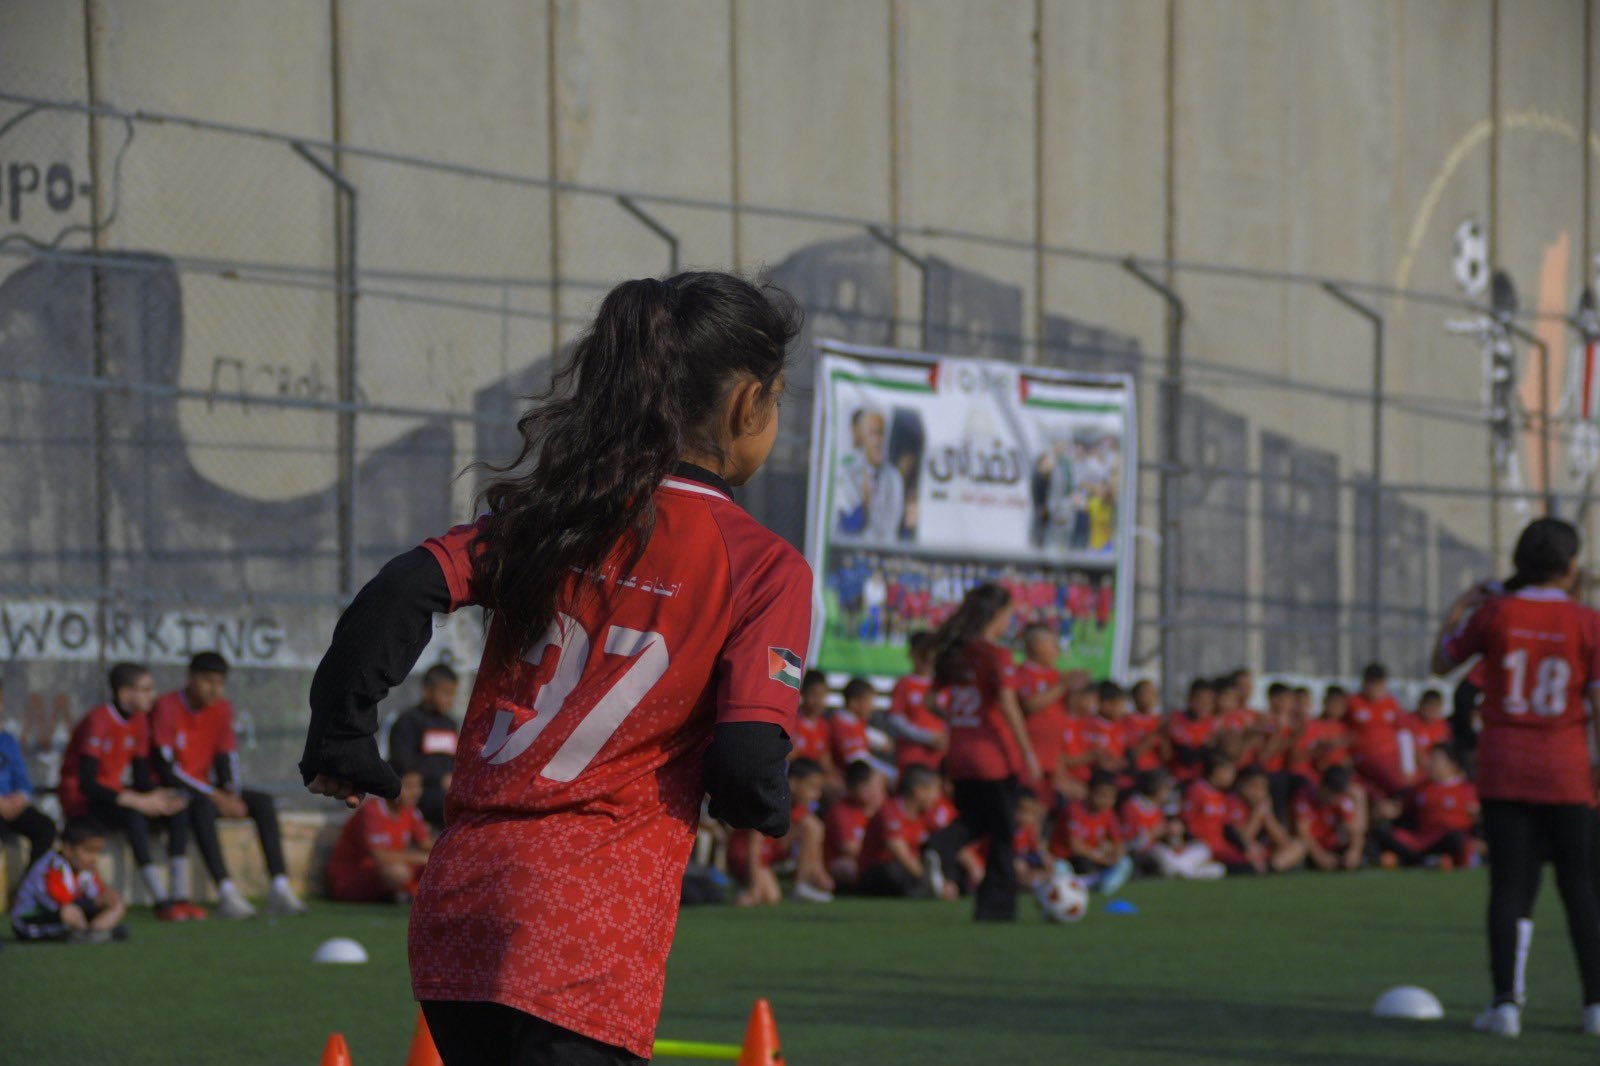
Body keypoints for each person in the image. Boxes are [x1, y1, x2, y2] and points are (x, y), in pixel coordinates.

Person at [300, 272, 808, 1065]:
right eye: (780, 400)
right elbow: (747, 761)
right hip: (585, 927)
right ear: (749, 405)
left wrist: (341, 734)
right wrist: (765, 806)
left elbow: (404, 587)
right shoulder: (762, 566)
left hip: (460, 903)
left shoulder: (557, 519)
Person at [1432, 517, 1600, 1037]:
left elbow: (1440, 663)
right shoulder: (1587, 621)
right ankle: (1595, 1006)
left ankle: (1505, 1004)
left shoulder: (1496, 612)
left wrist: (1461, 604)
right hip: (1567, 770)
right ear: (1571, 566)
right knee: (1583, 889)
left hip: (1504, 767)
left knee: (1509, 886)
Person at [150, 652, 307, 919]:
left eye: (220, 682)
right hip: (175, 791)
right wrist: (216, 796)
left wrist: (231, 793)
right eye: (208, 681)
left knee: (263, 803)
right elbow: (167, 769)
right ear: (190, 678)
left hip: (207, 789)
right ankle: (226, 891)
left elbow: (228, 756)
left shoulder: (222, 708)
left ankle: (279, 886)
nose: (215, 689)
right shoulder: (166, 707)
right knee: (203, 808)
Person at [929, 583, 1042, 922]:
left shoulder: (955, 653)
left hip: (961, 756)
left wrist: (961, 725)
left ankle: (941, 847)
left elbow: (931, 701)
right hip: (994, 757)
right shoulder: (996, 655)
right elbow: (1008, 706)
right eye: (1009, 613)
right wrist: (1028, 753)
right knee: (1004, 833)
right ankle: (997, 908)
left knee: (977, 821)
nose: (1010, 621)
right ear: (997, 614)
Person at [56, 663, 193, 921]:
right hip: (82, 801)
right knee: (133, 816)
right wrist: (137, 801)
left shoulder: (140, 721)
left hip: (113, 796)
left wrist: (159, 797)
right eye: (145, 689)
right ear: (124, 694)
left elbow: (141, 776)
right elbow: (87, 783)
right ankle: (161, 901)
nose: (152, 695)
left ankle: (180, 897)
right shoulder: (98, 721)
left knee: (176, 809)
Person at [326, 767, 433, 903]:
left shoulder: (411, 811)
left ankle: (404, 895)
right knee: (397, 872)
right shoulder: (372, 811)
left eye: (418, 786)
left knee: (438, 868)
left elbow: (427, 845)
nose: (416, 792)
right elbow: (378, 855)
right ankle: (404, 895)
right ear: (390, 784)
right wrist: (423, 859)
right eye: (409, 786)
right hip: (352, 878)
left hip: (387, 872)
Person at [10, 818, 126, 943]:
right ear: (68, 850)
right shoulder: (52, 867)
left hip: (68, 915)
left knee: (116, 905)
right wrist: (95, 902)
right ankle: (93, 934)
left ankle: (93, 933)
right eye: (89, 851)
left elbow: (97, 893)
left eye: (97, 852)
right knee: (70, 912)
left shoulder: (86, 870)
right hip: (32, 921)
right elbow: (62, 902)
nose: (94, 858)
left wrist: (106, 897)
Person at [1372, 744, 1479, 869]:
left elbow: (1478, 817)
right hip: (1420, 840)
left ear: (1452, 764)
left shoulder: (1468, 790)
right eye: (1431, 758)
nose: (1431, 763)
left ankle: (1429, 860)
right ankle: (1429, 860)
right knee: (1381, 833)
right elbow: (1402, 808)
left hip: (1445, 838)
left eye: (1436, 760)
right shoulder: (1421, 788)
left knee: (1457, 839)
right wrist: (1387, 810)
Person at [387, 663, 461, 831]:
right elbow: (402, 761)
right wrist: (438, 777)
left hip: (447, 790)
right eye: (445, 693)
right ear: (427, 691)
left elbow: (455, 759)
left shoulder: (450, 724)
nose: (449, 700)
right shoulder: (409, 721)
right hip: (420, 792)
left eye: (452, 694)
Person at [857, 765, 949, 898]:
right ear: (919, 791)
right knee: (893, 871)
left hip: (910, 870)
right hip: (879, 871)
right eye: (935, 790)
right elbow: (900, 854)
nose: (937, 796)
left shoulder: (926, 814)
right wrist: (929, 881)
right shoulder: (890, 811)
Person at [0, 682, 55, 869]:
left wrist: (21, 796)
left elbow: (22, 778)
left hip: (11, 807)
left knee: (45, 828)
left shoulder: (7, 740)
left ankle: (27, 889)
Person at [1015, 624, 1072, 804]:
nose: (1057, 650)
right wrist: (1063, 686)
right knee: (1026, 805)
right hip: (1029, 755)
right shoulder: (1022, 673)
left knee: (1045, 806)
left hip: (1052, 756)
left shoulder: (1056, 675)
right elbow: (1030, 704)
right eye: (1053, 645)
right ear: (1038, 647)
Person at [1051, 771, 1132, 893]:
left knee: (1125, 862)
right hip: (1069, 859)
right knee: (1062, 868)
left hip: (1093, 858)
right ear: (1089, 792)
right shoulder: (1074, 811)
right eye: (1102, 795)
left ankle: (1100, 886)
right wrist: (1103, 859)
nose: (1107, 801)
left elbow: (1118, 842)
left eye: (1111, 797)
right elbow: (1076, 847)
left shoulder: (1108, 813)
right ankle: (1084, 884)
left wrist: (1116, 855)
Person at [835, 407, 905, 544]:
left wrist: (868, 501)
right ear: (863, 437)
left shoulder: (893, 477)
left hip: (882, 552)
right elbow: (847, 526)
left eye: (882, 434)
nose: (879, 441)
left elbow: (890, 527)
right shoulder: (848, 471)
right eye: (874, 434)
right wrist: (864, 501)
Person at [885, 632, 947, 773]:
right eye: (923, 655)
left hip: (940, 759)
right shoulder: (904, 684)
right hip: (912, 758)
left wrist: (947, 738)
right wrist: (927, 737)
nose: (928, 660)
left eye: (932, 654)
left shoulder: (944, 686)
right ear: (912, 655)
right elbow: (895, 719)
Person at [1347, 663, 1407, 797]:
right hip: (1363, 762)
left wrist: (1408, 766)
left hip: (1389, 762)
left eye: (1379, 684)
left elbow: (1403, 734)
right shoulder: (1353, 703)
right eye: (1371, 684)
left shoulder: (1392, 704)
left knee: (1397, 788)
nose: (1375, 689)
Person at [824, 760, 885, 889]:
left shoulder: (885, 810)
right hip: (851, 861)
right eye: (866, 789)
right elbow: (848, 847)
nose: (873, 793)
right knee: (848, 867)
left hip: (875, 861)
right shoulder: (841, 811)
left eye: (875, 787)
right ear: (851, 790)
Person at [1293, 765, 1366, 873]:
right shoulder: (1304, 798)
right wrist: (1320, 857)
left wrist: (1354, 851)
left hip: (1333, 848)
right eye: (1334, 796)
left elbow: (1354, 830)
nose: (1336, 800)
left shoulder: (1341, 800)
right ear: (1324, 788)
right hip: (1312, 850)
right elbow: (1303, 833)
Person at [790, 671, 833, 771]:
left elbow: (826, 763)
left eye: (823, 695)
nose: (818, 701)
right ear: (803, 693)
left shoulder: (824, 726)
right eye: (814, 694)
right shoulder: (791, 721)